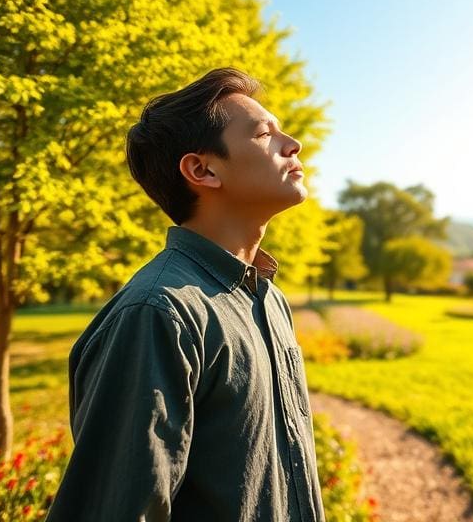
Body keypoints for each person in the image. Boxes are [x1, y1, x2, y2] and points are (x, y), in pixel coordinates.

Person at [46, 67, 326, 522]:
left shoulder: (268, 298)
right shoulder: (158, 314)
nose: (292, 143)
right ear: (202, 169)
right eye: (263, 134)